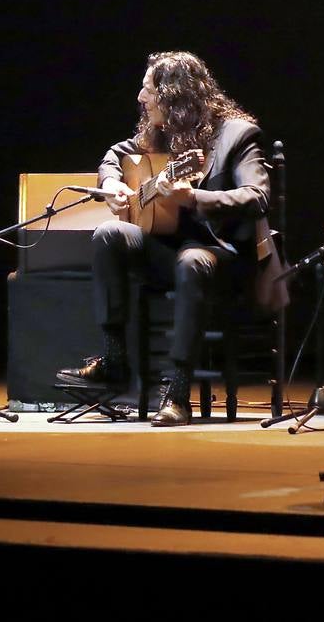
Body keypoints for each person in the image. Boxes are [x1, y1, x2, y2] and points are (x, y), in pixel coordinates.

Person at [57, 51, 270, 426]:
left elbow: (257, 196)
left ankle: (177, 392)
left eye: (148, 89)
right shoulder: (159, 133)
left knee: (192, 259)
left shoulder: (237, 134)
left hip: (220, 257)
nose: (141, 98)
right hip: (167, 253)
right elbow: (114, 154)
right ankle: (114, 359)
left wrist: (193, 198)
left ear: (174, 95)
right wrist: (112, 183)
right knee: (110, 233)